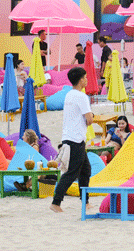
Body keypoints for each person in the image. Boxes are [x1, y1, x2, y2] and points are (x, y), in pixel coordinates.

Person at [51, 67, 93, 213]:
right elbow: (89, 119)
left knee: (86, 170)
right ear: (81, 80)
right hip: (75, 139)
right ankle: (56, 202)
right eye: (85, 77)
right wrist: (91, 116)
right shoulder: (82, 96)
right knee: (72, 172)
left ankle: (85, 201)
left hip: (70, 137)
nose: (87, 80)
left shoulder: (69, 94)